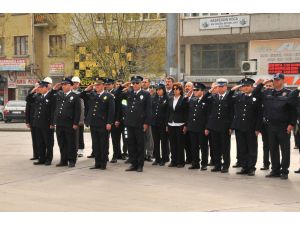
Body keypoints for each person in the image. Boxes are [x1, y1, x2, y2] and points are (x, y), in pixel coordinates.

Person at [255, 74, 299, 179]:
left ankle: (284, 171)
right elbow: (255, 94)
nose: (275, 81)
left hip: (283, 126)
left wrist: (291, 124)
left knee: (285, 149)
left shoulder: (289, 93)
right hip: (270, 125)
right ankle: (275, 170)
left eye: (277, 80)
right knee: (273, 148)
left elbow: (294, 110)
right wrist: (262, 84)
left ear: (282, 81)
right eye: (274, 79)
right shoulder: (268, 92)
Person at [116, 75, 152, 172]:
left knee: (140, 144)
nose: (135, 85)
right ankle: (133, 163)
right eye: (133, 83)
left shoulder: (146, 94)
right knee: (131, 144)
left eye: (137, 83)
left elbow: (148, 110)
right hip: (129, 122)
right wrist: (122, 85)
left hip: (140, 123)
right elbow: (117, 95)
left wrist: (146, 123)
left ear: (140, 84)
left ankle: (140, 165)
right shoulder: (128, 92)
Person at [81, 77, 115, 170]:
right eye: (96, 85)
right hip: (93, 123)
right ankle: (97, 163)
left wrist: (109, 123)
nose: (97, 87)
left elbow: (111, 111)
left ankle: (103, 164)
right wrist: (86, 89)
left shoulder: (109, 96)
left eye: (98, 85)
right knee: (95, 144)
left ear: (103, 86)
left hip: (103, 123)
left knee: (103, 144)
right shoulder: (92, 95)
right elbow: (81, 96)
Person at [231, 78, 262, 176]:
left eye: (248, 86)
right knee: (242, 148)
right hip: (240, 127)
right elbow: (228, 99)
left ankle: (251, 167)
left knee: (251, 148)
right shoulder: (239, 96)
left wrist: (257, 128)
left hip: (251, 127)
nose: (245, 88)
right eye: (243, 86)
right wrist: (233, 89)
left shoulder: (256, 97)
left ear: (252, 87)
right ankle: (244, 167)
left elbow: (259, 114)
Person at [205, 78, 234, 173]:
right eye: (219, 86)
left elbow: (232, 113)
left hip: (225, 127)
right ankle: (217, 165)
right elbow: (204, 100)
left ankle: (225, 165)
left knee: (225, 147)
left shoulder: (230, 97)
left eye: (222, 86)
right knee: (215, 146)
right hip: (214, 126)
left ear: (226, 87)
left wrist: (231, 127)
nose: (220, 88)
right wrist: (211, 90)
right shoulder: (213, 97)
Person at [53, 77, 81, 168]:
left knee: (71, 142)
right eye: (63, 85)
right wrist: (54, 89)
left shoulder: (75, 96)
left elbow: (78, 111)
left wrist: (75, 123)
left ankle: (72, 160)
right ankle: (63, 160)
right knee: (62, 142)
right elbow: (51, 97)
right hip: (60, 123)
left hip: (70, 123)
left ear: (71, 86)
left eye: (66, 85)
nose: (63, 86)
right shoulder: (59, 95)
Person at [27, 81, 56, 166]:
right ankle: (41, 158)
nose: (40, 89)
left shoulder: (51, 97)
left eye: (41, 87)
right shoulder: (38, 96)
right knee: (40, 142)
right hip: (37, 123)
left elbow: (53, 111)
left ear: (47, 88)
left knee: (48, 143)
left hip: (47, 124)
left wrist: (52, 123)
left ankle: (48, 159)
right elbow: (28, 99)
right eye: (39, 87)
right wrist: (33, 91)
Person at [186, 82, 209, 170]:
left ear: (202, 91)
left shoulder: (206, 100)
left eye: (197, 90)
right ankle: (195, 163)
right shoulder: (192, 100)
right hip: (193, 127)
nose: (194, 91)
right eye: (194, 90)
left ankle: (204, 163)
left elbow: (208, 115)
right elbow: (189, 114)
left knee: (203, 147)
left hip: (202, 128)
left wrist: (207, 127)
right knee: (194, 146)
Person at [167, 82, 188, 168]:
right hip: (171, 123)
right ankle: (173, 161)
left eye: (177, 89)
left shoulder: (184, 99)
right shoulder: (170, 99)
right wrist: (167, 124)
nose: (175, 90)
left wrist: (186, 125)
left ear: (180, 90)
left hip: (180, 124)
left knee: (180, 144)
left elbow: (186, 113)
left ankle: (180, 162)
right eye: (174, 89)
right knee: (172, 143)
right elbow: (168, 112)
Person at [151, 83, 170, 166]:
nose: (158, 91)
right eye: (157, 90)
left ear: (163, 90)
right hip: (154, 123)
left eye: (160, 90)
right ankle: (157, 158)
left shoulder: (167, 99)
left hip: (163, 124)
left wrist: (167, 125)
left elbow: (168, 113)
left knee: (164, 142)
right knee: (156, 142)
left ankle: (164, 158)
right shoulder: (154, 98)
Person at [260, 80, 273, 170]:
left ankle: (275, 165)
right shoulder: (262, 96)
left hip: (273, 125)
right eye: (267, 86)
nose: (268, 87)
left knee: (274, 146)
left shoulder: (275, 96)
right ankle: (266, 164)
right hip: (264, 125)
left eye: (270, 86)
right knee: (266, 146)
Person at [71, 76, 85, 158]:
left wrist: (82, 118)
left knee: (80, 135)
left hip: (80, 118)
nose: (75, 84)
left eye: (76, 83)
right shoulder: (69, 92)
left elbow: (83, 107)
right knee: (73, 136)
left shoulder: (82, 92)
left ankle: (80, 149)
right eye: (73, 83)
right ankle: (74, 150)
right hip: (72, 118)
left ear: (79, 84)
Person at [25, 83, 40, 161]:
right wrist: (27, 121)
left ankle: (41, 155)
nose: (37, 87)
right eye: (36, 86)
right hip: (32, 121)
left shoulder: (41, 95)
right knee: (34, 139)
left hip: (40, 122)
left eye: (38, 86)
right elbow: (27, 110)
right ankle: (36, 155)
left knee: (40, 139)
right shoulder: (32, 96)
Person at [142, 77, 154, 162]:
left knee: (149, 137)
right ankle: (142, 154)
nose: (144, 83)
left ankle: (149, 154)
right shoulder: (139, 92)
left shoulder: (153, 93)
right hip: (140, 119)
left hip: (149, 118)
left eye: (146, 82)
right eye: (143, 82)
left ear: (149, 83)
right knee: (141, 138)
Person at [184, 81, 194, 164]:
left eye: (189, 86)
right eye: (186, 86)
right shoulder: (184, 97)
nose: (187, 88)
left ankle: (194, 159)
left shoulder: (196, 97)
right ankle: (188, 158)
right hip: (185, 123)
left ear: (192, 88)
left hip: (193, 124)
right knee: (186, 142)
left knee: (193, 143)